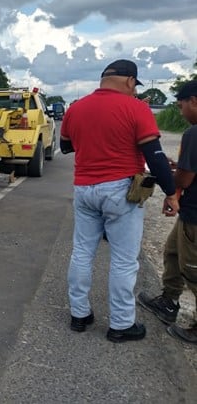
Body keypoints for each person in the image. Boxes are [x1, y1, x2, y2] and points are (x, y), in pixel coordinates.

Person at [60, 59, 179, 343]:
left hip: (84, 189)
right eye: (134, 86)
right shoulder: (136, 108)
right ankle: (122, 324)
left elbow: (66, 146)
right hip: (120, 190)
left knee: (81, 252)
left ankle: (79, 315)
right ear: (129, 81)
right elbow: (155, 156)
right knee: (124, 261)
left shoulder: (76, 108)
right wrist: (171, 192)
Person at [138, 80, 197, 344]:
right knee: (172, 252)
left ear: (193, 100)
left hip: (195, 216)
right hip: (189, 213)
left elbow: (185, 180)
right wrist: (177, 168)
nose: (181, 110)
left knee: (193, 269)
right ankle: (169, 301)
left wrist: (169, 175)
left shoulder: (194, 134)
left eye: (181, 104)